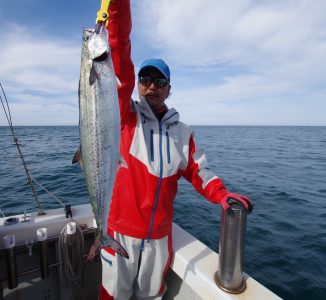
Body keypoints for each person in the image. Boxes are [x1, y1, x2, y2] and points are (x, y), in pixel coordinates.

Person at [99, 0, 253, 299]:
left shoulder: (184, 134)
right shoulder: (123, 117)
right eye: (145, 80)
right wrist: (116, 7)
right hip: (119, 233)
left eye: (159, 81)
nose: (150, 86)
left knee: (152, 296)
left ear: (169, 88)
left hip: (159, 238)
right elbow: (118, 54)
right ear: (137, 85)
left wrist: (222, 194)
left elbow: (199, 172)